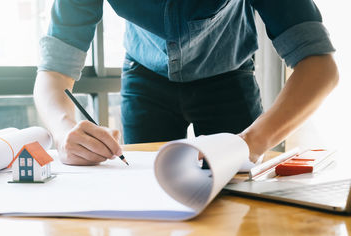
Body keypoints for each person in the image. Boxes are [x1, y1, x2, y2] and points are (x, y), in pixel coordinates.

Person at [34, 0, 338, 166]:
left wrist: (252, 142)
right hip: (144, 77)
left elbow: (320, 67)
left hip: (228, 75)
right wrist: (63, 133)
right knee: (145, 191)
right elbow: (53, 73)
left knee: (244, 188)